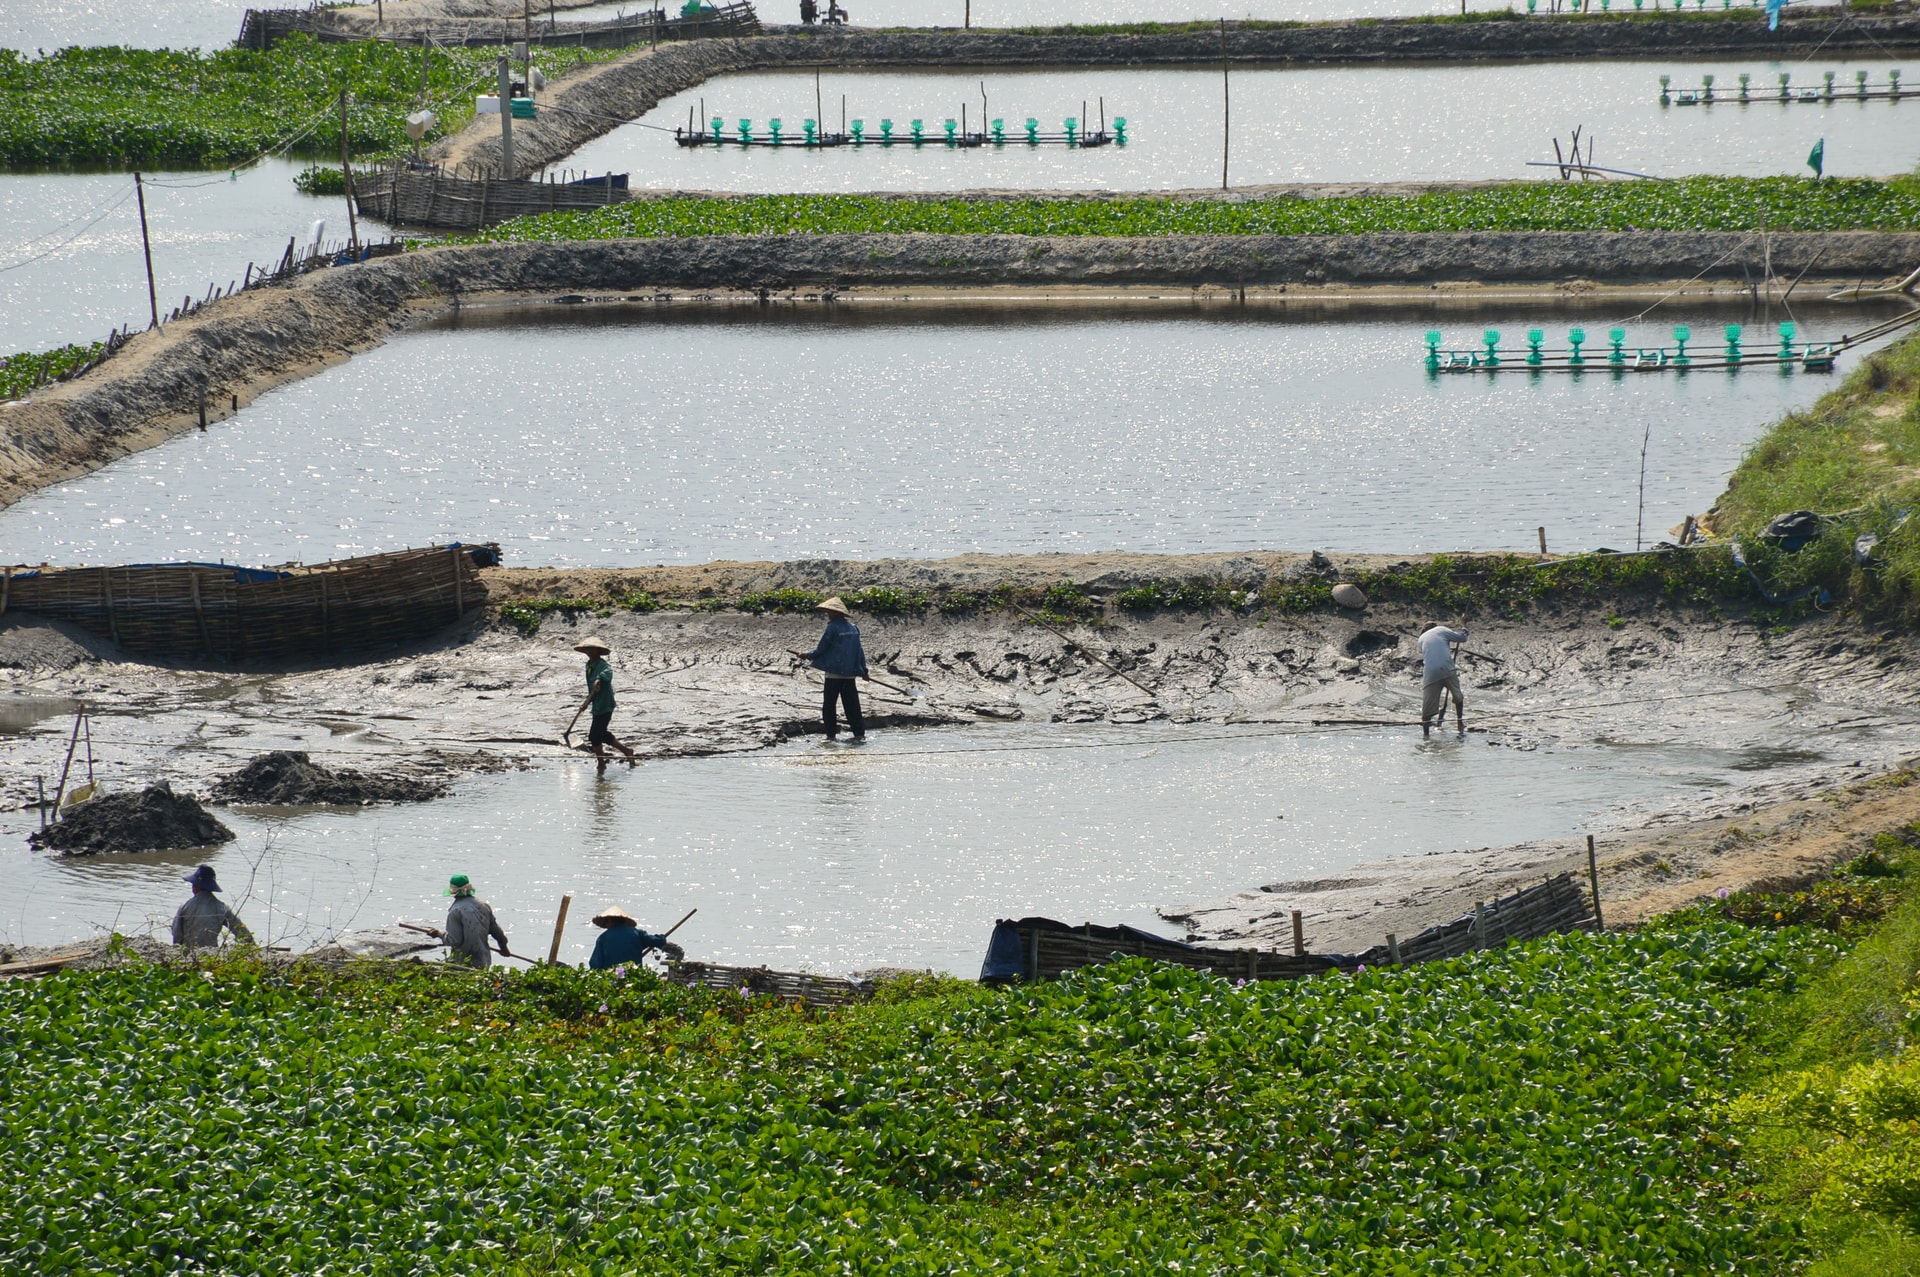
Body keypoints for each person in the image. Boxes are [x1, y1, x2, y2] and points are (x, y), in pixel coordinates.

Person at [792, 596, 869, 741]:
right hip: (849, 675)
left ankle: (831, 736)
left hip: (833, 674)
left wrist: (807, 655)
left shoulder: (832, 627)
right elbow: (859, 652)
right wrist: (864, 671)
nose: (828, 614)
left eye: (829, 611)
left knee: (829, 706)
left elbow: (822, 648)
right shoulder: (853, 628)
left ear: (835, 613)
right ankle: (859, 734)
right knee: (853, 707)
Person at [566, 637, 637, 775]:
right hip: (596, 704)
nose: (590, 652)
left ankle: (601, 763)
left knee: (594, 736)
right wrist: (586, 703)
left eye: (593, 649)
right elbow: (591, 689)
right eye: (588, 649)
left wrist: (599, 679)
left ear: (598, 651)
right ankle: (627, 751)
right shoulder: (589, 666)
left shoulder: (603, 665)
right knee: (602, 734)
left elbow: (608, 673)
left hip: (605, 705)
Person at [171, 865, 254, 948]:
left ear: (195, 888)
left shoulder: (184, 906)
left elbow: (177, 935)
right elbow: (244, 934)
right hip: (211, 954)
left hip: (188, 953)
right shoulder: (222, 908)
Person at [444, 873, 510, 969]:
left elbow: (455, 941)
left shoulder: (455, 911)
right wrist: (503, 948)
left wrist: (439, 934)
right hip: (484, 961)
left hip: (462, 964)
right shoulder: (483, 906)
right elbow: (497, 932)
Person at [587, 906, 684, 969]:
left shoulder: (603, 938)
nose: (605, 925)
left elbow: (595, 964)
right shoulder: (637, 933)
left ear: (610, 921)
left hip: (610, 978)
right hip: (634, 976)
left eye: (606, 922)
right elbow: (658, 941)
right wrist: (661, 937)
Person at [1418, 623, 1470, 736]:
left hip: (1430, 673)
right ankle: (1459, 722)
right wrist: (1464, 627)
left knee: (1427, 710)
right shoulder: (1441, 629)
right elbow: (1462, 638)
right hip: (1446, 668)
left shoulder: (1420, 639)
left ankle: (1426, 735)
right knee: (1457, 696)